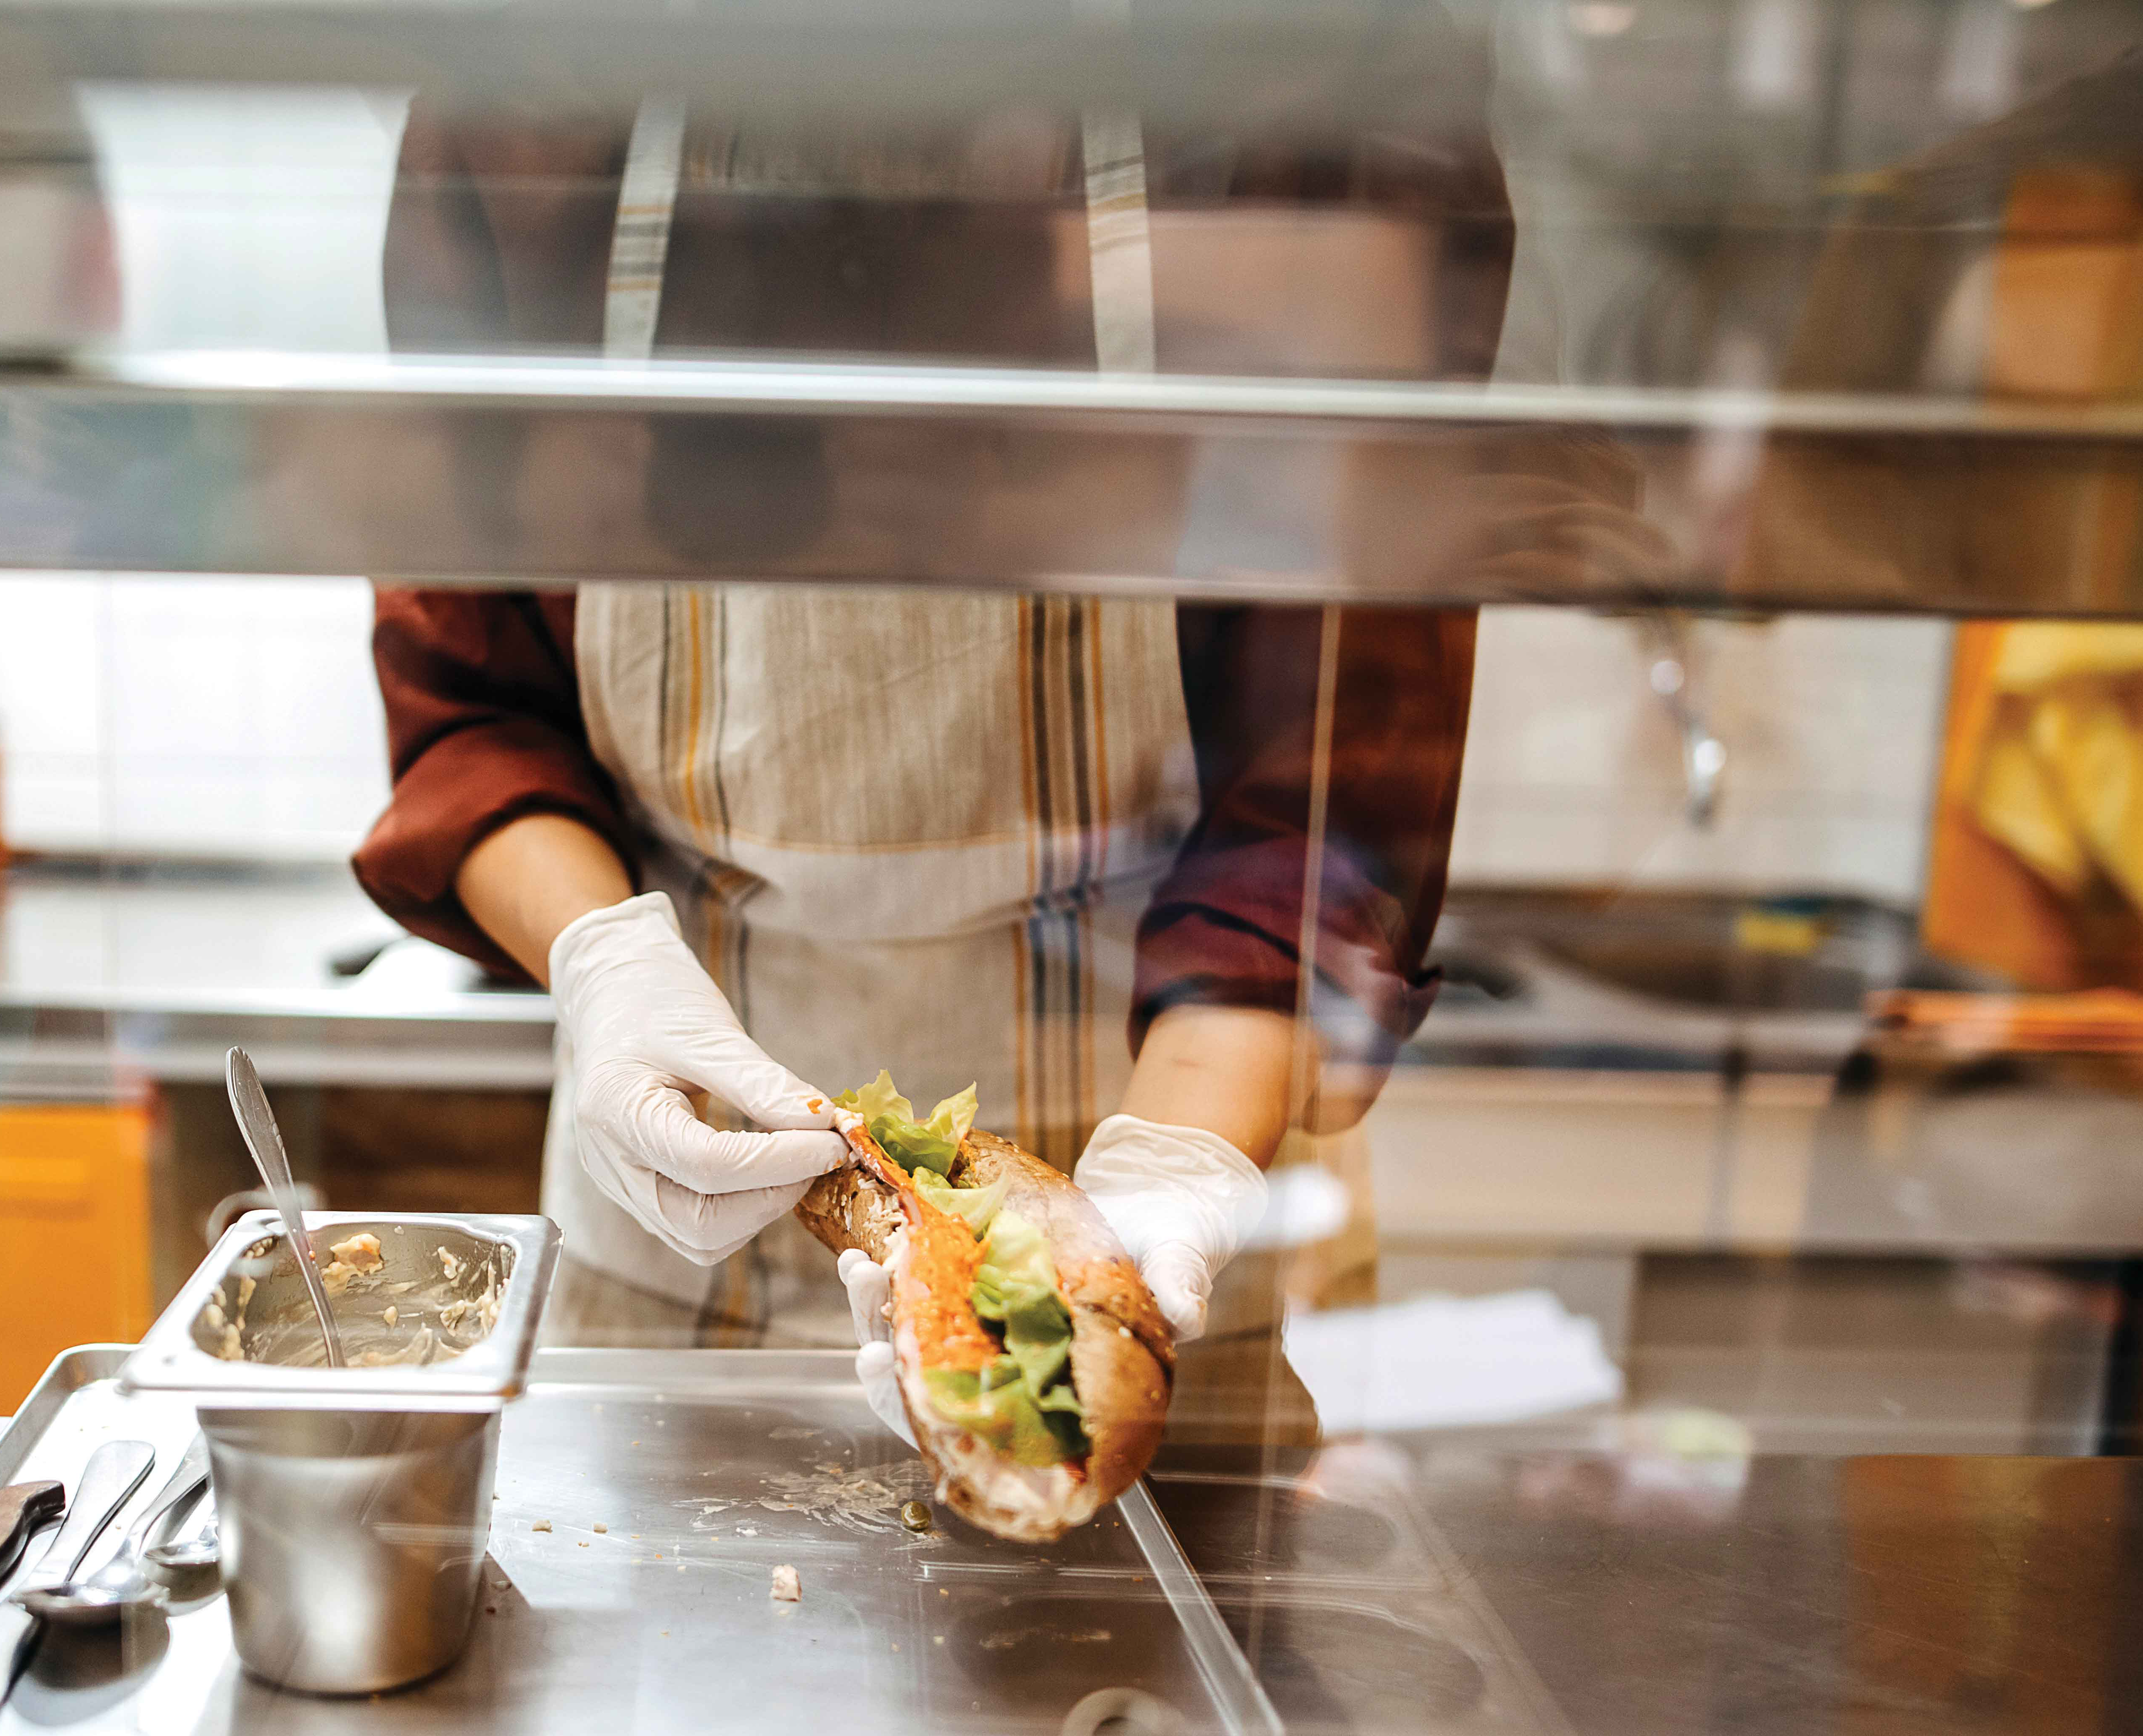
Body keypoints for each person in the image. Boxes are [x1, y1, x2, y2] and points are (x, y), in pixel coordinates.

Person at [354, 57, 1512, 1352]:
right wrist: (608, 972)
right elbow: (474, 708)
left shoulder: (1296, 84)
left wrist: (1173, 1168)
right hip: (673, 1217)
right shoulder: (534, 94)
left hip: (1169, 1189)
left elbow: (1333, 791)